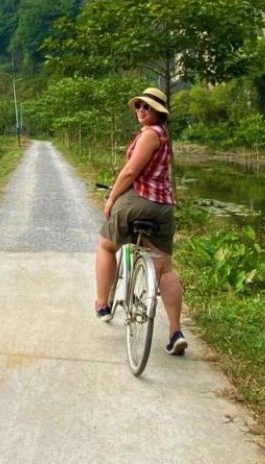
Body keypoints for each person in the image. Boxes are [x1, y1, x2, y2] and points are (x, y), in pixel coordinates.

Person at [94, 87, 188, 355]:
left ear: (158, 112)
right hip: (164, 207)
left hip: (141, 201)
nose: (141, 111)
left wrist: (111, 198)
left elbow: (131, 172)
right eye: (138, 106)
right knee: (165, 269)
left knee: (105, 245)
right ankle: (175, 332)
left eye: (147, 107)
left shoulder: (150, 134)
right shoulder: (164, 136)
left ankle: (102, 303)